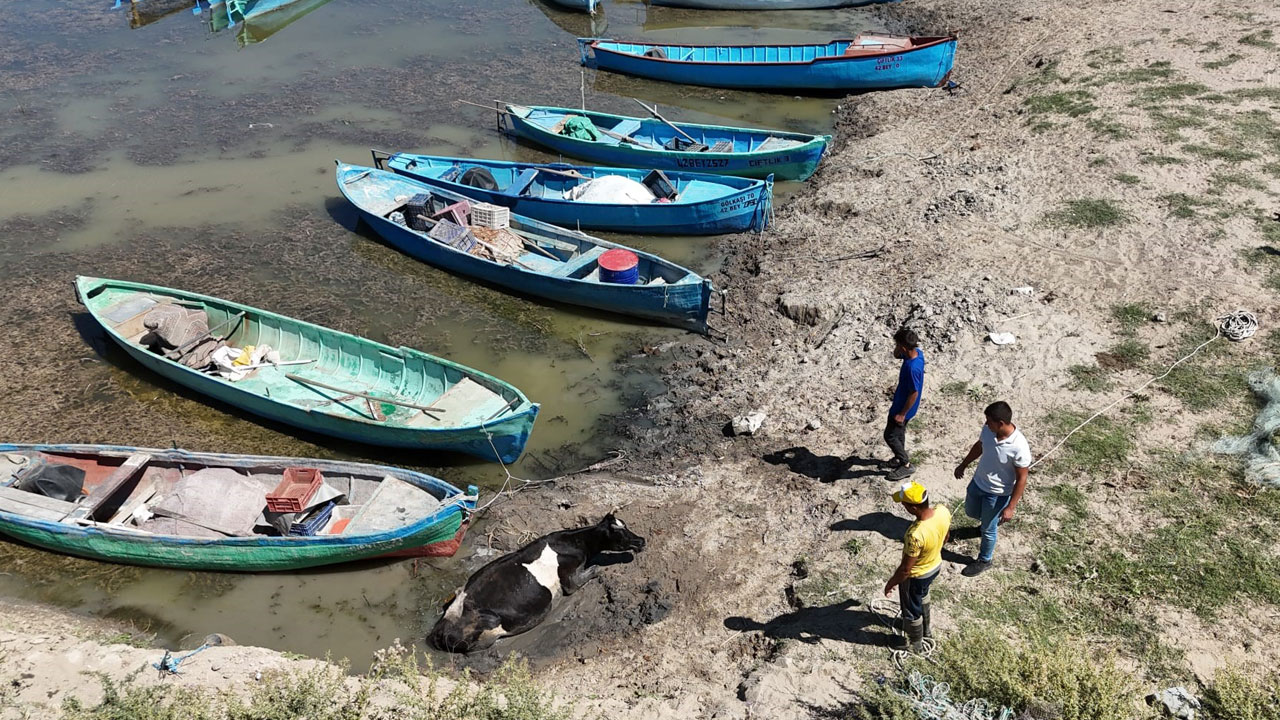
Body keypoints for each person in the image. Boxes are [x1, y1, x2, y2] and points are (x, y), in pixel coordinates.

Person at [953, 401, 1032, 577]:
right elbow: (979, 446)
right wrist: (963, 464)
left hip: (996, 495)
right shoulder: (989, 431)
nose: (986, 424)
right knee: (971, 511)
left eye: (989, 421)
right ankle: (984, 525)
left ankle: (985, 560)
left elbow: (1022, 478)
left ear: (1001, 423)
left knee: (989, 529)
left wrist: (1010, 507)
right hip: (977, 483)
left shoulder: (1019, 447)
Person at [883, 480, 950, 652]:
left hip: (917, 575)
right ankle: (926, 630)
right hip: (935, 566)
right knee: (923, 595)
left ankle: (915, 644)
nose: (903, 506)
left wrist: (892, 582)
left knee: (911, 608)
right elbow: (946, 536)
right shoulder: (942, 511)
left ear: (913, 508)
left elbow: (906, 569)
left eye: (904, 504)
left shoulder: (915, 534)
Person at [883, 328, 925, 481]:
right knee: (899, 433)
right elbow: (896, 355)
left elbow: (914, 392)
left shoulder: (912, 368)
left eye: (898, 344)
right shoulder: (917, 354)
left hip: (902, 407)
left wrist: (902, 413)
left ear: (904, 347)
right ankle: (899, 458)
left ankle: (906, 465)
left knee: (890, 435)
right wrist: (899, 348)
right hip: (906, 407)